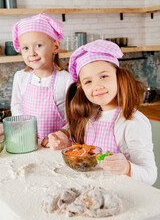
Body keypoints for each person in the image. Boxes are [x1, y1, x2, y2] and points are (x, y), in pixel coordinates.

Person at [44, 39, 157, 185]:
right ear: (81, 88)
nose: (97, 86)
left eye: (103, 76)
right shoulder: (91, 115)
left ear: (119, 76)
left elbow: (150, 175)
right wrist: (63, 136)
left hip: (121, 193)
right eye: (88, 82)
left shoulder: (132, 122)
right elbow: (71, 132)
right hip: (92, 188)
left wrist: (127, 168)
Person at [11, 13, 72, 142]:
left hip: (58, 145)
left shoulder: (66, 79)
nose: (32, 53)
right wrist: (24, 128)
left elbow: (75, 117)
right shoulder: (20, 77)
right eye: (26, 48)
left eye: (38, 45)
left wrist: (60, 135)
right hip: (29, 142)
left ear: (55, 47)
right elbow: (16, 106)